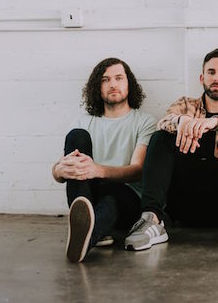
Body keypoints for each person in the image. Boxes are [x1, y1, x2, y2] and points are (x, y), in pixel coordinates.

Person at [125, 48, 218, 253]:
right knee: (161, 136)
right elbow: (164, 121)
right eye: (211, 72)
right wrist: (182, 121)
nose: (216, 78)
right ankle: (151, 220)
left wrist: (216, 122)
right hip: (183, 202)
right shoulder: (185, 104)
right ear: (202, 78)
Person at [52, 58, 157, 263]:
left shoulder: (144, 121)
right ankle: (90, 226)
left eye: (119, 78)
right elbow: (63, 168)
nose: (112, 84)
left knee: (111, 198)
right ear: (97, 87)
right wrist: (58, 171)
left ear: (129, 83)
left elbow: (137, 170)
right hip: (88, 193)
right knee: (77, 135)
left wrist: (97, 170)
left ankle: (87, 234)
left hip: (126, 198)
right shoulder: (83, 121)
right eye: (105, 80)